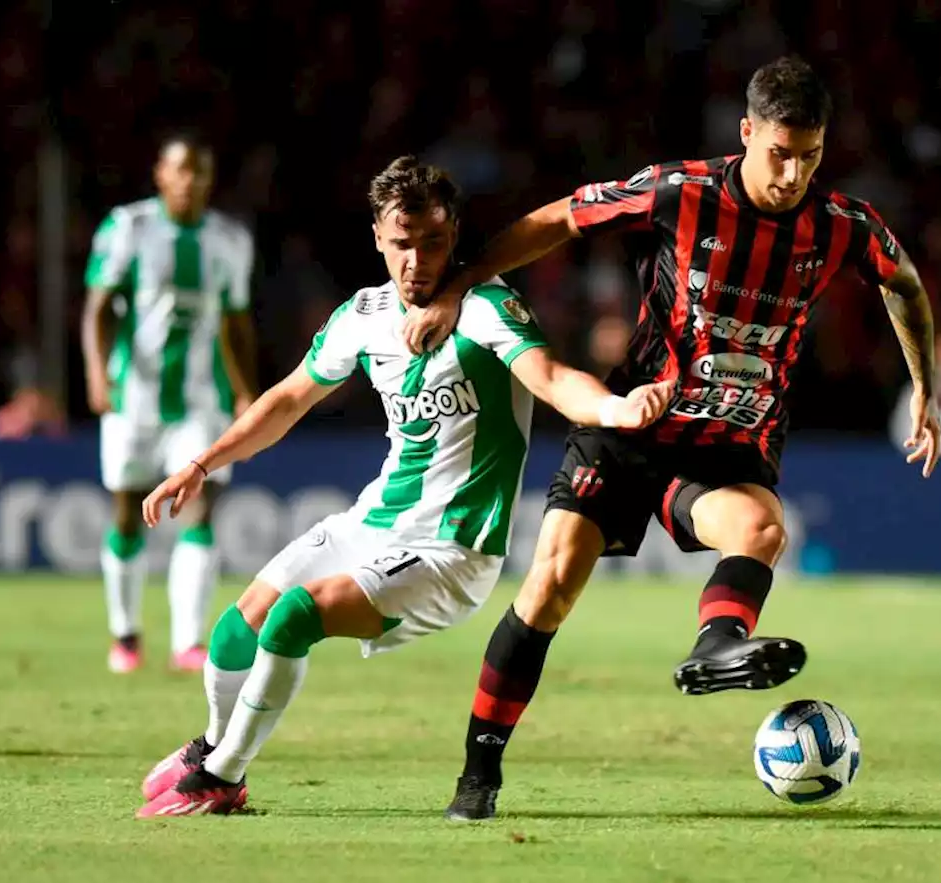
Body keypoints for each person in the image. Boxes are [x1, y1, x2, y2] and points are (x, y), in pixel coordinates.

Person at [401, 55, 941, 821]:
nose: (793, 174)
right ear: (748, 132)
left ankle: (717, 643)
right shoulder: (679, 191)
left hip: (731, 447)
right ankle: (478, 772)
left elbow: (905, 282)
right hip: (635, 420)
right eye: (780, 153)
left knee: (761, 528)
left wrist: (922, 384)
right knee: (550, 585)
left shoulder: (841, 226)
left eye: (810, 156)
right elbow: (558, 217)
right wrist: (457, 286)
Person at [133, 156, 674, 818]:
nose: (417, 260)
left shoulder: (488, 309)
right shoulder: (364, 314)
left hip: (454, 548)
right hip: (376, 521)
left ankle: (224, 775)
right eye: (402, 243)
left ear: (455, 236)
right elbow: (286, 399)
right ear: (377, 239)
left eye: (434, 242)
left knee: (297, 613)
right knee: (233, 630)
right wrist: (199, 463)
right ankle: (214, 744)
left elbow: (554, 379)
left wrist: (616, 409)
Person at [82, 132, 257, 674]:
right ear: (160, 173)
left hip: (201, 399)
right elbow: (97, 307)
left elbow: (235, 321)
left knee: (201, 510)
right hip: (133, 396)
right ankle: (126, 635)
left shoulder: (230, 239)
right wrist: (96, 372)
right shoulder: (128, 227)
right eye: (180, 170)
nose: (189, 181)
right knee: (128, 515)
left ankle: (188, 642)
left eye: (199, 171)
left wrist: (246, 388)